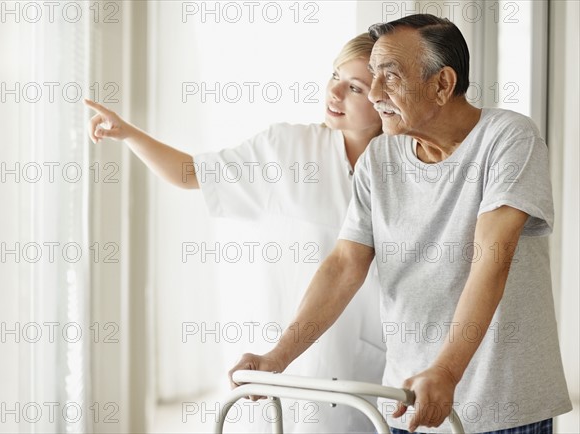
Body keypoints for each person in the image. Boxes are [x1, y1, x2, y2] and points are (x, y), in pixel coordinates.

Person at [229, 14, 572, 434]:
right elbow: (344, 265)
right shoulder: (381, 158)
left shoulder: (508, 138)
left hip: (503, 403)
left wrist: (446, 372)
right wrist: (277, 357)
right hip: (406, 402)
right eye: (372, 76)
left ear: (442, 84)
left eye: (388, 77)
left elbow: (491, 260)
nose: (373, 94)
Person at [85, 33, 386, 433]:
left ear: (386, 100)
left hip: (375, 367)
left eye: (354, 87)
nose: (333, 91)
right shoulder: (288, 149)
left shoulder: (404, 165)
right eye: (334, 75)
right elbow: (191, 173)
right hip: (292, 362)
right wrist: (128, 134)